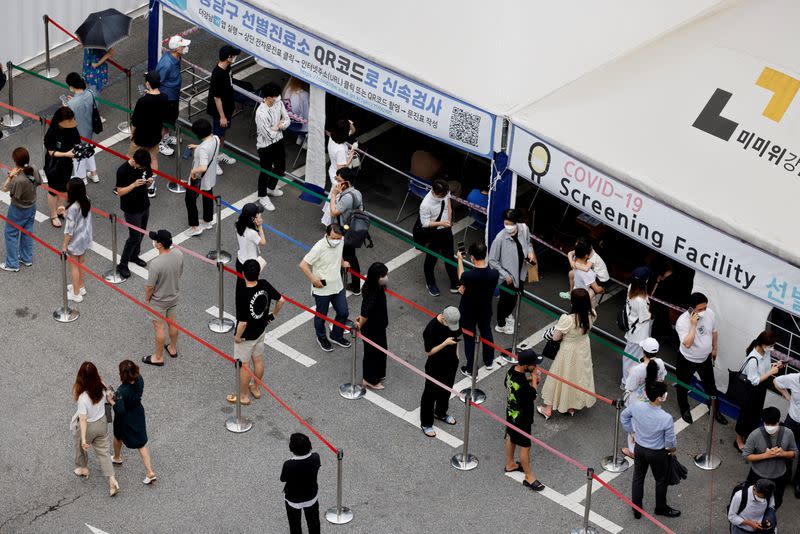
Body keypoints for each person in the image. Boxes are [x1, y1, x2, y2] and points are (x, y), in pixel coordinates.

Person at [228, 259, 285, 405]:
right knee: (258, 360)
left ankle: (244, 396)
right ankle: (256, 388)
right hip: (261, 330)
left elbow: (243, 323)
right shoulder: (264, 284)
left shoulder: (243, 294)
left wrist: (237, 337)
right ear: (258, 273)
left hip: (247, 336)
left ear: (243, 274)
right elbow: (281, 300)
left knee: (244, 365)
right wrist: (272, 315)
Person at [621, 380, 680, 519]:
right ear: (661, 397)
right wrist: (672, 450)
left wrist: (632, 432)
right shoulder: (666, 418)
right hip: (657, 453)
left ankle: (636, 509)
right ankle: (660, 507)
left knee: (638, 478)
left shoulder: (637, 406)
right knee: (661, 480)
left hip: (640, 449)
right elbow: (670, 441)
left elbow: (624, 416)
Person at [537, 288, 597, 418]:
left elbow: (556, 337)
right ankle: (570, 405)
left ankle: (548, 409)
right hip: (583, 347)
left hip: (568, 350)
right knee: (577, 376)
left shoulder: (568, 319)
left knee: (558, 376)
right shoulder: (592, 313)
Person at [674, 292, 728, 425]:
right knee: (682, 386)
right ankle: (684, 409)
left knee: (711, 386)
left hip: (704, 360)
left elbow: (714, 332)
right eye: (700, 309)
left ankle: (714, 410)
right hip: (686, 360)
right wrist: (693, 325)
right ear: (691, 309)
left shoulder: (710, 313)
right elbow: (687, 343)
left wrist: (714, 348)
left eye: (705, 307)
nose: (704, 311)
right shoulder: (682, 322)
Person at [299, 224, 351, 352]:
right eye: (334, 238)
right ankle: (321, 337)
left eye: (339, 238)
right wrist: (313, 279)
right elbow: (303, 265)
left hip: (337, 285)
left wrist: (342, 262)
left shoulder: (340, 240)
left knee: (343, 312)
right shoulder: (319, 247)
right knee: (321, 315)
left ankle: (336, 336)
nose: (336, 241)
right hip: (322, 287)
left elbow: (339, 253)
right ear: (327, 235)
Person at [71, 361, 119, 497]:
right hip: (102, 422)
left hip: (90, 426)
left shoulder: (82, 398)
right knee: (103, 452)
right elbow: (110, 396)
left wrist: (84, 438)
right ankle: (112, 480)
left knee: (80, 446)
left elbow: (83, 420)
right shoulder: (102, 386)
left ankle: (83, 468)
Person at [504, 348, 546, 492]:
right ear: (526, 365)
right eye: (534, 364)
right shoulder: (523, 384)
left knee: (511, 436)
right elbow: (532, 394)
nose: (536, 366)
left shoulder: (511, 371)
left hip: (511, 413)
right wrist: (534, 378)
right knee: (525, 446)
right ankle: (529, 476)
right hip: (522, 419)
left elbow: (508, 383)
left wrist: (528, 378)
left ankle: (510, 464)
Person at [109, 360, 156, 485]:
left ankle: (117, 457)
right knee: (141, 443)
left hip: (125, 419)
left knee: (118, 436)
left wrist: (112, 400)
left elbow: (120, 410)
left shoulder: (121, 391)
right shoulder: (140, 379)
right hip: (137, 413)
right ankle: (149, 471)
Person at [734, 331, 782, 452]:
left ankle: (749, 438)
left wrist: (774, 366)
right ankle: (738, 441)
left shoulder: (765, 353)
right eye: (771, 346)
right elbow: (753, 380)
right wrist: (770, 373)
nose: (772, 348)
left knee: (755, 415)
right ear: (763, 344)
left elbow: (764, 369)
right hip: (751, 390)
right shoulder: (753, 359)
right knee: (745, 415)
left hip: (760, 389)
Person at [457, 242, 500, 375]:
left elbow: (461, 277)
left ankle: (470, 368)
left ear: (472, 258)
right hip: (485, 309)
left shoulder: (469, 276)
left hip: (468, 310)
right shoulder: (494, 274)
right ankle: (489, 361)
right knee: (486, 332)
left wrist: (459, 259)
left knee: (469, 338)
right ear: (485, 255)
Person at [489, 208, 534, 334]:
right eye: (506, 223)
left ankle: (508, 315)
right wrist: (505, 274)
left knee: (515, 298)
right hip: (507, 278)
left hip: (520, 273)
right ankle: (501, 324)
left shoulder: (524, 229)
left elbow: (529, 243)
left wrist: (530, 252)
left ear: (517, 222)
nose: (508, 226)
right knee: (504, 301)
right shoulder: (500, 239)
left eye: (511, 224)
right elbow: (492, 260)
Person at [142, 230, 184, 367]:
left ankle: (158, 357)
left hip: (158, 301)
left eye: (155, 241)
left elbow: (150, 287)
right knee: (173, 323)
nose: (153, 242)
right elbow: (180, 273)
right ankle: (172, 348)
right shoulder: (178, 254)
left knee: (159, 328)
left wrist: (147, 299)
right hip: (173, 296)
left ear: (159, 245)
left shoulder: (156, 264)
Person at [742, 406, 797, 508]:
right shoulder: (755, 435)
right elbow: (746, 455)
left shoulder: (788, 433)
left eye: (774, 424)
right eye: (768, 424)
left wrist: (784, 453)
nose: (770, 427)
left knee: (776, 502)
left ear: (779, 421)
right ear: (763, 421)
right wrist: (764, 455)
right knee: (750, 499)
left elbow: (795, 453)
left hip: (779, 477)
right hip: (757, 475)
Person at [420, 306, 461, 438]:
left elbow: (457, 338)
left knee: (446, 390)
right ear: (443, 317)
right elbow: (428, 352)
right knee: (430, 394)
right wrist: (445, 343)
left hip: (451, 363)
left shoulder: (454, 321)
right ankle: (426, 423)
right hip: (435, 366)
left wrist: (457, 355)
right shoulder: (431, 329)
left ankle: (441, 413)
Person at [622, 338, 667, 458]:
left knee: (634, 428)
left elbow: (630, 388)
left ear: (643, 351)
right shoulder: (660, 363)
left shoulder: (638, 369)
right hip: (653, 400)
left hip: (638, 402)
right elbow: (662, 377)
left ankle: (633, 452)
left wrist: (631, 371)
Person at [115, 149, 153, 279]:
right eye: (141, 166)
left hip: (144, 204)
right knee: (134, 237)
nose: (143, 168)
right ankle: (122, 264)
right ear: (134, 161)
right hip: (131, 209)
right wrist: (134, 185)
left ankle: (134, 255)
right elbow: (120, 192)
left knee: (142, 232)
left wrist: (149, 182)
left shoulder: (145, 165)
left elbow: (149, 178)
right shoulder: (123, 170)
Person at [128, 71, 168, 197]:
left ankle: (132, 182)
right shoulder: (164, 98)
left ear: (147, 83)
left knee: (130, 158)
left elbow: (135, 121)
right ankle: (151, 185)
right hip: (155, 135)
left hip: (141, 136)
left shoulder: (143, 101)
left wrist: (132, 134)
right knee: (153, 159)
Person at [1, 147, 41, 272]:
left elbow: (7, 190)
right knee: (27, 231)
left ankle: (12, 263)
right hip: (31, 207)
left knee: (11, 233)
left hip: (18, 210)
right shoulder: (33, 168)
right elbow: (39, 181)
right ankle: (26, 258)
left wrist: (11, 176)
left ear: (15, 161)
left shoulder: (18, 180)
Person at [419, 179, 459, 296]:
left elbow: (449, 206)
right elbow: (425, 223)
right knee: (431, 259)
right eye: (444, 195)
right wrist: (441, 223)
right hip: (434, 233)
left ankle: (454, 282)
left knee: (449, 256)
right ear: (437, 193)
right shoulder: (426, 204)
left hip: (446, 230)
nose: (446, 195)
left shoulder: (445, 193)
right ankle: (430, 282)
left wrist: (449, 220)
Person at [255, 82, 290, 211]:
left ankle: (271, 188)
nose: (277, 98)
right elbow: (268, 136)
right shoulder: (261, 114)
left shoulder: (278, 102)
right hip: (265, 146)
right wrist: (278, 127)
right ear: (268, 97)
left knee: (281, 167)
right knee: (265, 170)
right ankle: (262, 195)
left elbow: (287, 120)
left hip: (278, 140)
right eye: (275, 96)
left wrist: (278, 126)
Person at [43, 106, 80, 227]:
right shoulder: (52, 132)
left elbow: (77, 142)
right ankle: (53, 214)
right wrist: (66, 154)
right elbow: (50, 152)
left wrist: (76, 152)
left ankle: (61, 209)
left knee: (64, 188)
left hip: (67, 163)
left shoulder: (72, 128)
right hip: (54, 164)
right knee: (53, 190)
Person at [154, 34, 191, 156]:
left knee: (171, 118)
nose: (186, 47)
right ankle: (159, 143)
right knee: (163, 120)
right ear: (177, 48)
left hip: (173, 96)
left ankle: (165, 137)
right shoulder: (167, 64)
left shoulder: (176, 57)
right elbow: (158, 81)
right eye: (183, 45)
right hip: (166, 98)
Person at [206, 45, 240, 174]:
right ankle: (213, 161)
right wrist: (222, 116)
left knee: (222, 134)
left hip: (227, 108)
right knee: (217, 135)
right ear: (228, 57)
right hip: (219, 112)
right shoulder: (218, 74)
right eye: (234, 55)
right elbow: (217, 98)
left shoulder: (227, 68)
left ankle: (220, 154)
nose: (235, 57)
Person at [58, 178, 92, 303]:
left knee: (74, 266)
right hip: (85, 237)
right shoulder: (86, 200)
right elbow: (79, 218)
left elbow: (69, 230)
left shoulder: (73, 207)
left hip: (76, 240)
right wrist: (65, 212)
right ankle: (80, 286)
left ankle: (76, 293)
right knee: (81, 262)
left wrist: (64, 246)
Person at [355, 262, 389, 390]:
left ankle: (378, 374)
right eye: (383, 275)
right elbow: (365, 312)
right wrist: (360, 322)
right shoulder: (372, 292)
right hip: (372, 329)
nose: (386, 277)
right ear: (376, 277)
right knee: (372, 354)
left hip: (379, 326)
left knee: (381, 350)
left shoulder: (375, 287)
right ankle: (370, 379)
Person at [329, 168, 363, 294]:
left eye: (338, 180)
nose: (336, 183)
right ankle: (355, 285)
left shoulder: (347, 197)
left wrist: (333, 195)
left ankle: (339, 286)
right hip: (352, 230)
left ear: (346, 183)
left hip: (344, 232)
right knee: (351, 257)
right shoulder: (357, 193)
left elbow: (334, 211)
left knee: (342, 257)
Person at [184, 118, 220, 237]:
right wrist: (198, 147)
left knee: (190, 200)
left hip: (199, 177)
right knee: (207, 196)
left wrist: (193, 171)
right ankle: (207, 221)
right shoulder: (216, 139)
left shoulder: (203, 148)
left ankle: (195, 227)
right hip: (210, 177)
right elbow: (207, 146)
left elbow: (203, 167)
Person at [280, 433, 321, 534]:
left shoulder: (289, 464)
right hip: (311, 496)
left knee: (295, 525)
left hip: (293, 499)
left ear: (292, 448)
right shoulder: (316, 457)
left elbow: (283, 479)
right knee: (314, 522)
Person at [65, 72, 99, 184]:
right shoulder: (90, 93)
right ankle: (94, 174)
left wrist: (66, 106)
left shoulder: (72, 103)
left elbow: (69, 119)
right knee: (88, 150)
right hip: (89, 129)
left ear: (71, 86)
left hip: (78, 133)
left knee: (78, 155)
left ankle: (82, 178)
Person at [773, 369, 800, 497]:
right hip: (793, 420)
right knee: (787, 448)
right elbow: (776, 381)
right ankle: (786, 475)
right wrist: (787, 396)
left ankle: (798, 481)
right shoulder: (794, 378)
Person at [622, 275, 652, 387]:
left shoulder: (631, 289)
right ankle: (627, 382)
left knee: (630, 357)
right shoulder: (640, 300)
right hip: (638, 334)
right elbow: (645, 317)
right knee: (632, 360)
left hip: (632, 330)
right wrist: (649, 311)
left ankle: (628, 381)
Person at [234, 202, 266, 275]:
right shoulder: (251, 233)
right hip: (250, 266)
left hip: (240, 260)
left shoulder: (238, 223)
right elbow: (263, 242)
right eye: (257, 213)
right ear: (252, 218)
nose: (258, 214)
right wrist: (260, 226)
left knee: (240, 283)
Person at [327, 118, 356, 183]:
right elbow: (341, 169)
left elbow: (353, 131)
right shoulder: (341, 150)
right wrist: (350, 157)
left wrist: (349, 124)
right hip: (339, 179)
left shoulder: (332, 136)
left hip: (333, 171)